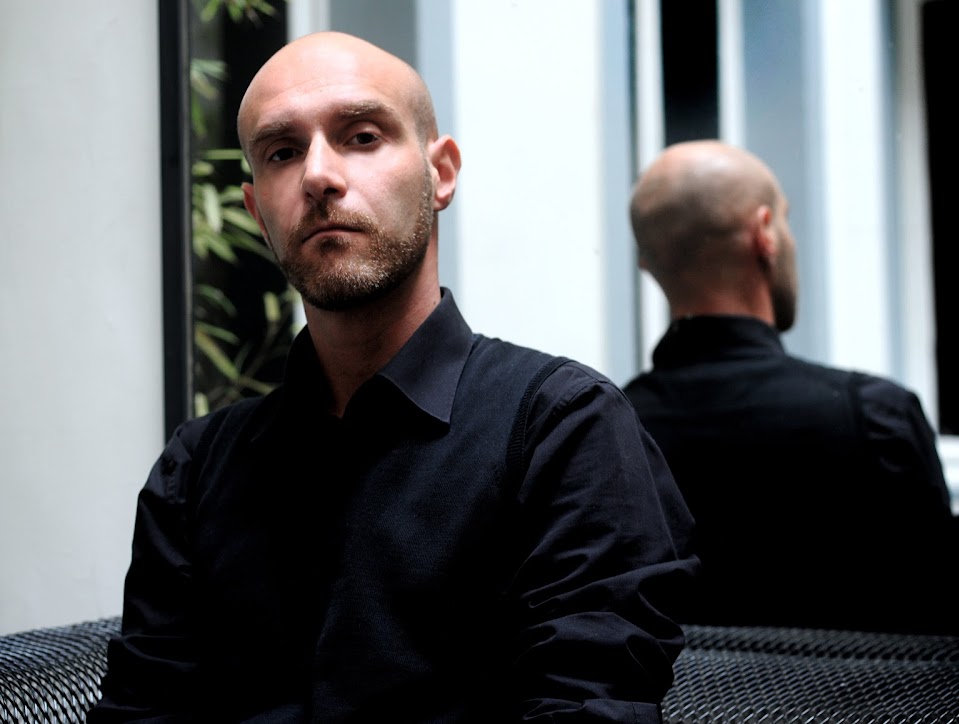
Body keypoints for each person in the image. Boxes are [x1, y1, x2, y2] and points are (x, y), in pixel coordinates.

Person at [89, 32, 699, 723]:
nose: (319, 175)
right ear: (257, 213)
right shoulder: (197, 471)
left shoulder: (565, 431)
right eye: (282, 152)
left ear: (441, 174)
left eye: (362, 137)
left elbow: (588, 706)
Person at [623, 139, 959, 636]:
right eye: (786, 219)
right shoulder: (872, 417)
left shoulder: (613, 432)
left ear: (646, 262)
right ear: (764, 233)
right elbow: (955, 629)